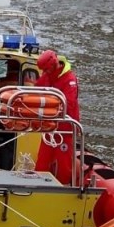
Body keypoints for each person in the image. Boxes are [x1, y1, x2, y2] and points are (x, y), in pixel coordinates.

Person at [33, 49, 80, 184]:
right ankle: (37, 185)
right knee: (42, 160)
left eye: (47, 70)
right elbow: (37, 89)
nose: (45, 73)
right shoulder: (47, 76)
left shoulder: (70, 80)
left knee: (64, 164)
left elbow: (69, 103)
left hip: (65, 128)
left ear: (54, 65)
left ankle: (63, 188)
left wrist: (48, 102)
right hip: (49, 127)